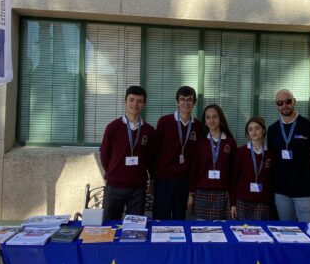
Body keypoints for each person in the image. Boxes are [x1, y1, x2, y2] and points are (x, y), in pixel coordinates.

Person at [267, 89, 310, 222]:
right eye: (280, 103)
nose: (284, 105)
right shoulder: (272, 130)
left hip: (305, 193)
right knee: (286, 230)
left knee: (307, 229)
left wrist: (309, 178)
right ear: (276, 105)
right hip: (281, 192)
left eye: (288, 101)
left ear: (294, 101)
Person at [100, 86, 156, 221]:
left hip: (138, 187)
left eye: (139, 101)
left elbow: (151, 159)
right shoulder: (113, 127)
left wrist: (152, 179)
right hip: (114, 185)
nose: (135, 104)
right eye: (131, 100)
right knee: (110, 224)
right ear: (125, 101)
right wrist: (113, 173)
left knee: (135, 226)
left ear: (144, 104)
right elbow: (105, 155)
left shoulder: (149, 130)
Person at [152, 86, 202, 220]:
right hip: (163, 180)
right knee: (161, 219)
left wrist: (192, 188)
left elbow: (196, 159)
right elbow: (155, 151)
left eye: (189, 100)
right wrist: (153, 178)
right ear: (177, 102)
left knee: (179, 219)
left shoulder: (198, 126)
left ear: (194, 102)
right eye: (182, 99)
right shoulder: (164, 121)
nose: (186, 103)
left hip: (183, 181)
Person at [188, 104, 237, 220]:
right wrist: (191, 194)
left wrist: (233, 201)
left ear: (221, 119)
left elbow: (234, 173)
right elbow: (194, 169)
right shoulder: (200, 142)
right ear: (204, 121)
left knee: (221, 229)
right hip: (202, 193)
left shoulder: (230, 142)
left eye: (215, 117)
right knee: (201, 229)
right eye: (208, 117)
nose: (211, 120)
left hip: (223, 194)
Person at [231, 117, 274, 221]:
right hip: (242, 200)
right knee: (241, 229)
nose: (254, 132)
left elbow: (272, 180)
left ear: (263, 130)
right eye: (250, 129)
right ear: (247, 133)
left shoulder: (270, 153)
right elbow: (234, 178)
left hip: (262, 200)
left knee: (260, 230)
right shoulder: (240, 152)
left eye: (257, 128)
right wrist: (233, 203)